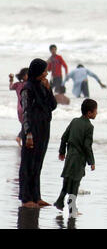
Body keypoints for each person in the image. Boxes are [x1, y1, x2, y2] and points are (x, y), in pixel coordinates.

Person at [19, 58, 57, 208]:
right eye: (44, 71)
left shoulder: (42, 86)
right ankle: (26, 198)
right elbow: (26, 112)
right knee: (28, 163)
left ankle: (36, 196)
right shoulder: (27, 89)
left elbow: (52, 106)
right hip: (32, 130)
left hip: (43, 129)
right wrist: (28, 133)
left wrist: (48, 89)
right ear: (37, 72)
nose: (46, 73)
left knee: (38, 163)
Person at [54, 99, 97, 218]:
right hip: (79, 158)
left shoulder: (74, 121)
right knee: (75, 183)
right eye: (95, 111)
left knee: (67, 180)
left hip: (70, 155)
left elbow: (64, 137)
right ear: (89, 113)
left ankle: (60, 201)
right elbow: (87, 146)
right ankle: (72, 208)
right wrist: (91, 162)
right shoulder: (89, 126)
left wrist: (62, 151)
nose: (96, 113)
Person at [9, 68, 28, 145]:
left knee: (24, 125)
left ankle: (23, 140)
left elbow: (10, 87)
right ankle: (19, 137)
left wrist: (11, 80)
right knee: (27, 125)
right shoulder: (28, 84)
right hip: (25, 107)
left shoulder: (17, 84)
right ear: (23, 76)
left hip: (19, 108)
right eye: (28, 74)